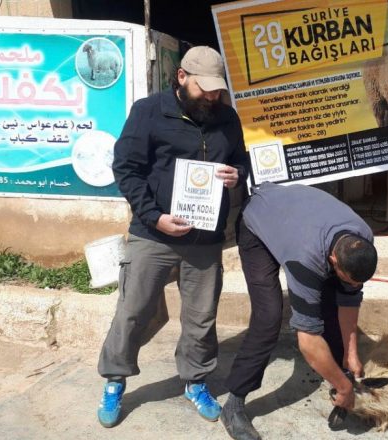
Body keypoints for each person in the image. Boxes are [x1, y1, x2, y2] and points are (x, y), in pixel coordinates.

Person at [96, 46, 250, 428]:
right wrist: (154, 217)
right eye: (205, 88)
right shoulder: (149, 111)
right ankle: (115, 380)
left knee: (201, 318)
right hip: (154, 234)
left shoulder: (227, 118)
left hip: (204, 239)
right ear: (182, 77)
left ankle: (195, 381)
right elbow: (127, 168)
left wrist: (237, 173)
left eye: (218, 90)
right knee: (133, 311)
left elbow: (241, 159)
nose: (212, 97)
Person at [220, 182, 378, 440]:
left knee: (331, 300)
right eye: (350, 278)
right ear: (334, 260)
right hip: (257, 222)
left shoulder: (362, 236)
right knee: (268, 317)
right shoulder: (305, 258)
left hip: (294, 220)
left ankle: (341, 382)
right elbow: (307, 340)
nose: (355, 286)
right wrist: (345, 387)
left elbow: (348, 299)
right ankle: (234, 403)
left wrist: (351, 355)